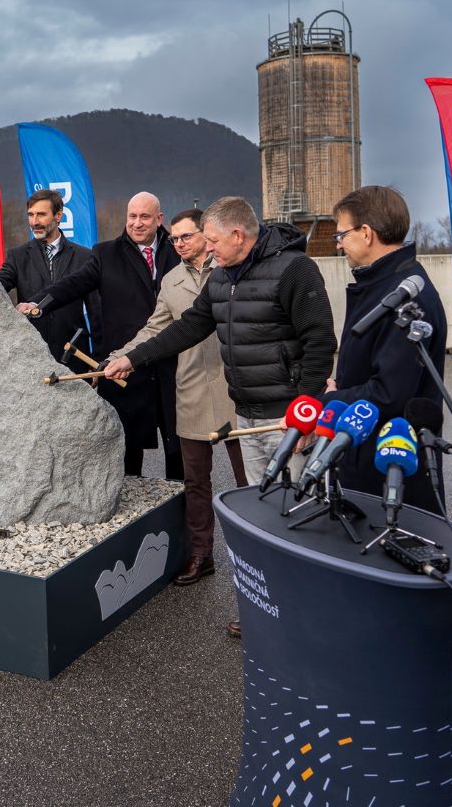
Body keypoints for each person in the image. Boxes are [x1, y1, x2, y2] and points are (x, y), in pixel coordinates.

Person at [104, 195, 336, 638]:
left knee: (302, 512)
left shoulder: (295, 270)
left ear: (237, 234)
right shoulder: (223, 276)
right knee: (264, 515)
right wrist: (133, 358)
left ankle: (313, 618)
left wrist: (306, 409)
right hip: (247, 416)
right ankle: (268, 609)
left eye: (211, 241)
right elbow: (187, 327)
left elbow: (320, 340)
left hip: (288, 419)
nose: (206, 249)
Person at [110, 208, 247, 586]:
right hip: (190, 389)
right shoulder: (171, 280)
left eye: (186, 236)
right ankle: (201, 554)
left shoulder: (232, 270)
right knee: (195, 482)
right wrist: (120, 356)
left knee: (248, 480)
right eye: (174, 238)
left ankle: (256, 557)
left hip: (235, 389)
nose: (179, 243)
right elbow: (154, 330)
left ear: (206, 234)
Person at [20, 192, 183, 481]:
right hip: (124, 367)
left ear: (159, 219)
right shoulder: (106, 254)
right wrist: (38, 304)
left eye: (145, 217)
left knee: (179, 450)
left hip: (175, 366)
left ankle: (184, 506)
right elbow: (71, 284)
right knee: (128, 456)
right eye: (132, 216)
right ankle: (130, 508)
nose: (137, 223)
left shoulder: (178, 251)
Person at [322, 185, 448, 514]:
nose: (338, 244)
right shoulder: (384, 285)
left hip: (390, 463)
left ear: (366, 233)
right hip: (368, 453)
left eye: (341, 235)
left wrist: (331, 400)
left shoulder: (406, 296)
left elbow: (390, 393)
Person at [0, 188, 101, 358]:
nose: (34, 222)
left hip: (74, 355)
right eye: (31, 215)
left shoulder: (85, 256)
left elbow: (97, 314)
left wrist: (99, 359)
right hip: (30, 356)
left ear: (58, 216)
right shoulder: (17, 256)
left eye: (41, 215)